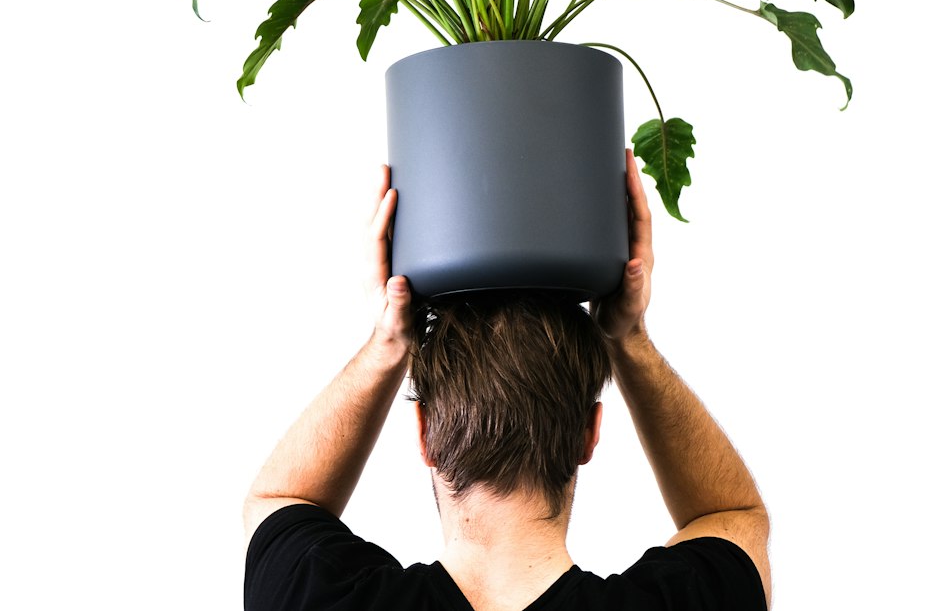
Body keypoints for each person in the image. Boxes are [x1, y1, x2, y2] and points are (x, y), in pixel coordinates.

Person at [243, 151, 772, 610]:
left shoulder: (315, 597)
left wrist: (387, 345)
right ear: (590, 433)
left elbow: (278, 498)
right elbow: (733, 516)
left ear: (425, 434)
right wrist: (627, 338)